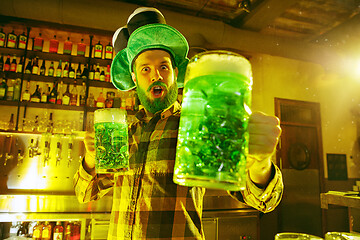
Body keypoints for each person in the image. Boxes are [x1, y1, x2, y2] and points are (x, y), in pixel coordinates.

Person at [74, 7, 283, 240]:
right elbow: (85, 194)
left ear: (175, 73)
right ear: (134, 78)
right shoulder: (123, 135)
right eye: (145, 69)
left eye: (163, 67)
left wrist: (260, 163)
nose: (156, 76)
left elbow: (262, 199)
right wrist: (92, 159)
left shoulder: (198, 125)